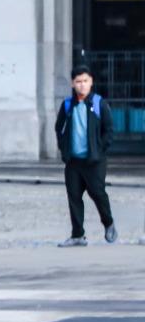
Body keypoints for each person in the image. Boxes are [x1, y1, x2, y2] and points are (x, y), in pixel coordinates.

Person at [55, 65, 116, 246]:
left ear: (91, 82)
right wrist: (64, 148)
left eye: (85, 81)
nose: (82, 85)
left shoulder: (99, 103)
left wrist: (99, 149)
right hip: (74, 161)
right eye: (78, 82)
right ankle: (78, 235)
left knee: (97, 193)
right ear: (73, 84)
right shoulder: (67, 105)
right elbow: (59, 128)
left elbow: (109, 130)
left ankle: (109, 223)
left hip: (94, 161)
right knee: (73, 196)